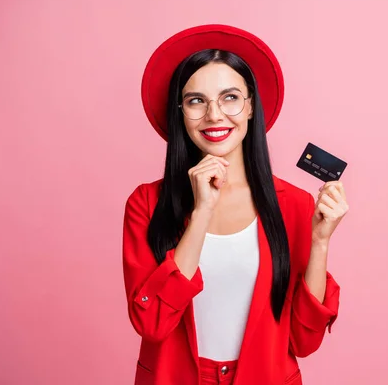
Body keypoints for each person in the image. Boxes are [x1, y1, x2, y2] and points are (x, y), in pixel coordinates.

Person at [122, 24, 348, 385]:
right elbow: (152, 323)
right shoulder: (146, 204)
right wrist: (201, 212)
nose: (214, 115)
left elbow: (304, 341)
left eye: (230, 98)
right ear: (180, 111)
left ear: (251, 107)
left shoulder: (295, 205)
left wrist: (320, 241)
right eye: (196, 100)